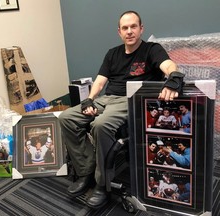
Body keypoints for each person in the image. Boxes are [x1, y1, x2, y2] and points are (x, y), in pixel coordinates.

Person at [58, 10, 184, 208]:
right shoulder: (112, 53)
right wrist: (89, 100)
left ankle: (102, 184)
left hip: (131, 100)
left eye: (133, 26)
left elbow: (168, 65)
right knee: (66, 117)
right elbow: (100, 81)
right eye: (125, 28)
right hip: (108, 98)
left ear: (141, 29)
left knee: (100, 124)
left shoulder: (152, 49)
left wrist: (174, 76)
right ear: (119, 32)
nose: (129, 31)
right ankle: (86, 171)